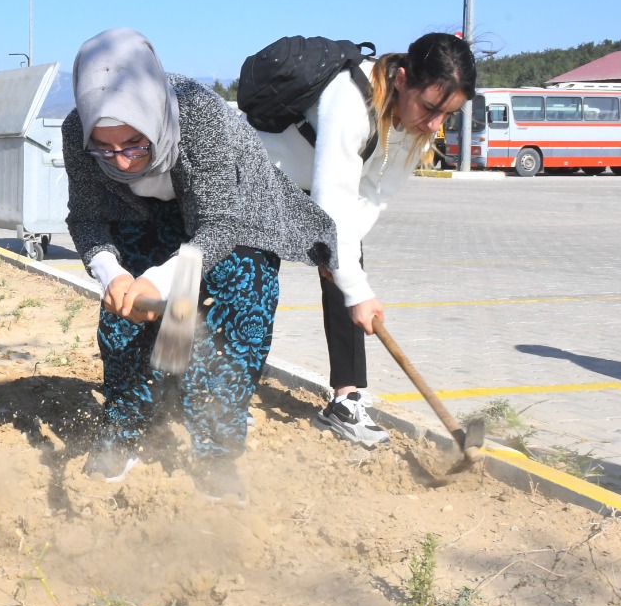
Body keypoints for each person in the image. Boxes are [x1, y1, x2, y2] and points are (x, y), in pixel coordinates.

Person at [62, 28, 337, 503]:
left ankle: (215, 454)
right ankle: (129, 427)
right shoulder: (75, 130)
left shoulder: (197, 112)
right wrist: (115, 275)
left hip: (234, 217)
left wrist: (160, 280)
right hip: (147, 216)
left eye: (134, 144)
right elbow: (86, 218)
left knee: (229, 322)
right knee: (126, 326)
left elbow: (218, 225)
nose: (123, 163)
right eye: (105, 150)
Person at [255, 32, 475, 447]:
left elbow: (373, 195)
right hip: (262, 178)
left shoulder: (415, 123)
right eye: (429, 108)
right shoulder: (350, 98)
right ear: (402, 79)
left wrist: (343, 266)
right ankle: (222, 390)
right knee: (252, 286)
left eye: (447, 115)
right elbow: (331, 199)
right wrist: (355, 288)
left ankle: (346, 400)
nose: (434, 124)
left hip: (316, 188)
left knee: (347, 261)